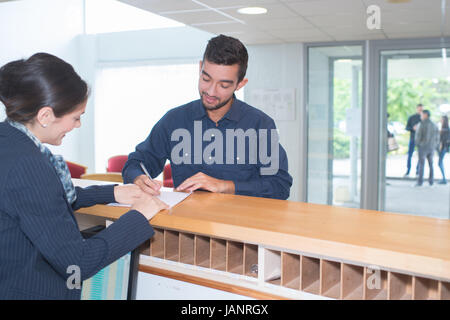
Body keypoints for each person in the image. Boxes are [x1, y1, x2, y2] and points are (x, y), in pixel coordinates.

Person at [0, 53, 168, 300]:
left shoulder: (9, 143)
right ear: (45, 116)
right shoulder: (29, 165)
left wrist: (112, 192)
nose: (77, 126)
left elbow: (38, 202)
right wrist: (139, 215)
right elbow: (77, 263)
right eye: (76, 117)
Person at [122, 35, 293, 200]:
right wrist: (138, 177)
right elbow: (136, 163)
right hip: (185, 225)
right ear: (199, 68)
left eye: (223, 85)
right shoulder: (174, 120)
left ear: (240, 84)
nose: (211, 91)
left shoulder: (259, 124)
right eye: (206, 79)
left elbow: (280, 185)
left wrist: (224, 186)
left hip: (240, 225)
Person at [415, 110, 439, 187]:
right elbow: (437, 137)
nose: (420, 116)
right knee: (431, 164)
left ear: (425, 115)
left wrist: (418, 144)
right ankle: (431, 181)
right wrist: (435, 145)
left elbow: (418, 135)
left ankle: (420, 182)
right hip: (432, 147)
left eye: (422, 115)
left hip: (423, 147)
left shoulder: (422, 124)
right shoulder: (434, 124)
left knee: (421, 164)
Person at [404, 103, 423, 177]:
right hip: (412, 138)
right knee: (410, 155)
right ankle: (408, 171)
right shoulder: (412, 117)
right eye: (419, 108)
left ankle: (417, 171)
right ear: (417, 108)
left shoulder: (423, 118)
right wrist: (413, 128)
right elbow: (407, 128)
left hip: (421, 140)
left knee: (420, 155)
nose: (420, 110)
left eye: (421, 109)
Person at [438, 115, 449, 184]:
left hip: (443, 148)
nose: (440, 120)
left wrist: (441, 146)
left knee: (440, 163)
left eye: (442, 119)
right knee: (440, 163)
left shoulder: (446, 130)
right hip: (443, 148)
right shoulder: (444, 129)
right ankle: (443, 178)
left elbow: (445, 140)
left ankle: (444, 179)